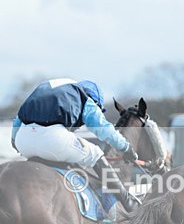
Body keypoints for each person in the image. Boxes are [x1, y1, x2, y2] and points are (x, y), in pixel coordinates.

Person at [11, 78, 140, 212]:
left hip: (23, 140)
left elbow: (17, 121)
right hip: (53, 140)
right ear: (95, 101)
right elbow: (104, 130)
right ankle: (127, 202)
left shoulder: (49, 89)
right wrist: (126, 148)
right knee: (96, 153)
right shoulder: (85, 98)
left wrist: (15, 142)